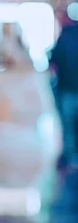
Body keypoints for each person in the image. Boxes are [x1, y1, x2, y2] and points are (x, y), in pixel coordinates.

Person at [50, 18, 78, 170]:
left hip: (66, 88)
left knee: (67, 125)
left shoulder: (65, 36)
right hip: (69, 88)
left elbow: (54, 62)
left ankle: (71, 157)